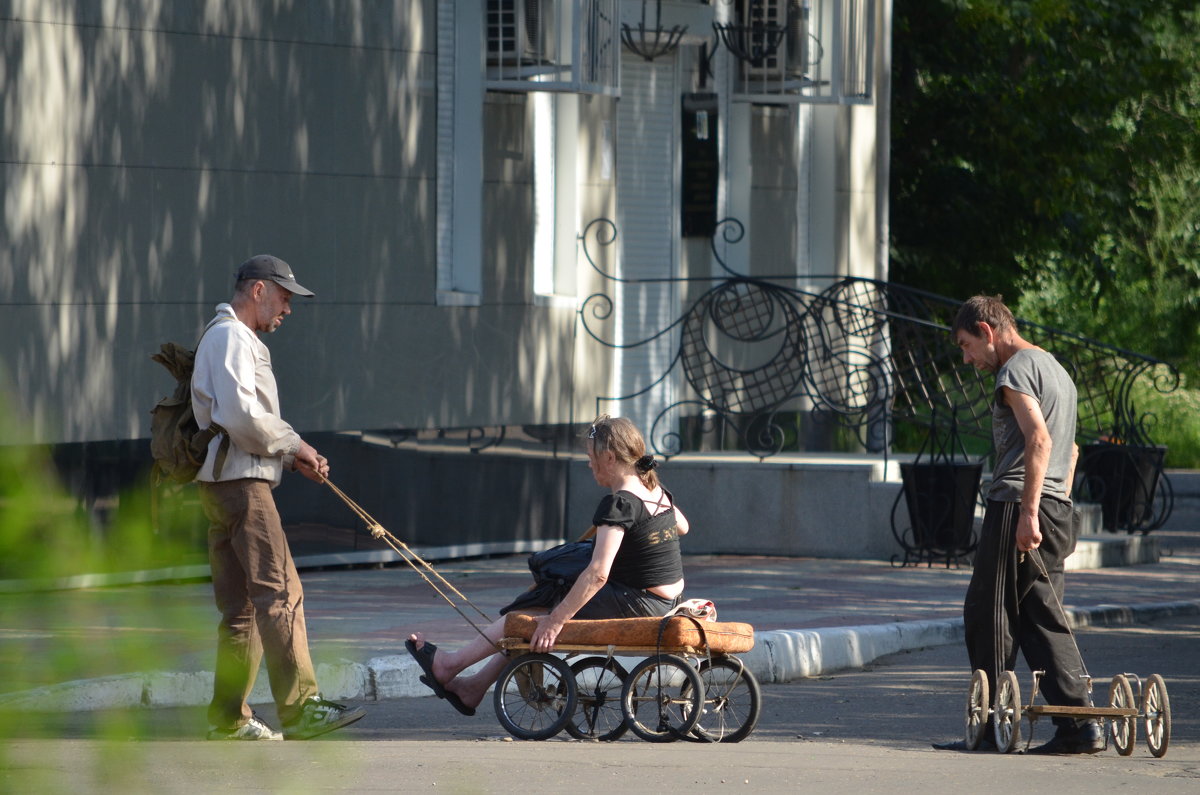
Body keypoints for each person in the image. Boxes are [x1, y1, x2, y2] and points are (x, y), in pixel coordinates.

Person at [405, 414, 690, 716]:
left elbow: (597, 574)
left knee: (531, 614)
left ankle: (451, 665)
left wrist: (556, 620)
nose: (589, 464)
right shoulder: (656, 494)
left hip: (639, 602)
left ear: (609, 457)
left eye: (591, 457)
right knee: (535, 616)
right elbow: (681, 526)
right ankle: (474, 687)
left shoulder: (620, 503)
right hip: (664, 600)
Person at [192, 254, 366, 741]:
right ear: (258, 290)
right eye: (285, 296)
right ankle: (301, 708)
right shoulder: (230, 336)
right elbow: (242, 416)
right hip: (242, 486)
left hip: (225, 485)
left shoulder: (228, 336)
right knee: (281, 592)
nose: (288, 308)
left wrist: (290, 458)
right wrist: (295, 445)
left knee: (242, 609)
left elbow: (238, 420)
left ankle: (227, 718)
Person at [938, 295, 1101, 754]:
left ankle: (991, 727)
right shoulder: (1057, 371)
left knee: (987, 612)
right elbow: (1070, 451)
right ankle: (1080, 724)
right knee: (1038, 615)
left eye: (968, 346)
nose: (968, 360)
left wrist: (1029, 511)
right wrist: (1056, 505)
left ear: (988, 332)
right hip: (1056, 504)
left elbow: (1041, 439)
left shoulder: (1014, 371)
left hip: (1017, 503)